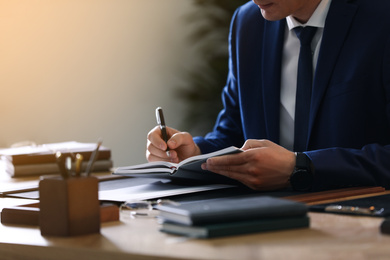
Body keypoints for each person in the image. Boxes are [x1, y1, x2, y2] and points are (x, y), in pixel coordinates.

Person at [146, 0, 390, 191]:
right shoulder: (248, 22)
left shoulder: (381, 17)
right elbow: (233, 133)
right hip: (269, 219)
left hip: (361, 219)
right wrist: (194, 154)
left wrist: (302, 167)